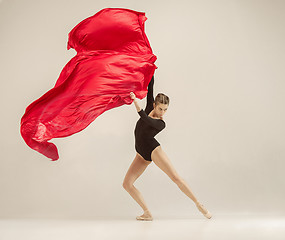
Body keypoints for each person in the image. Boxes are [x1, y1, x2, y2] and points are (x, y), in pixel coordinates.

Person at [123, 75, 212, 221]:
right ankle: (147, 212)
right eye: (160, 108)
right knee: (127, 184)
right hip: (140, 153)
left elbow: (145, 118)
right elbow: (150, 86)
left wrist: (135, 102)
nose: (163, 112)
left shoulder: (160, 123)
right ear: (154, 105)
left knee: (175, 178)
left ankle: (198, 203)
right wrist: (150, 67)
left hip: (153, 150)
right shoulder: (149, 105)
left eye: (165, 109)